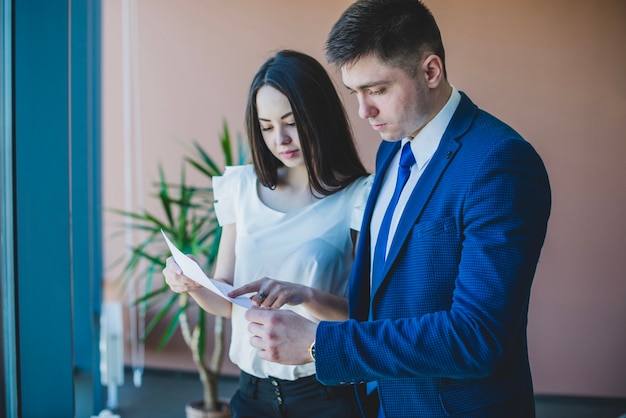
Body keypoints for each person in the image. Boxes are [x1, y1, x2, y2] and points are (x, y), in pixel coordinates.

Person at [241, 1, 552, 417]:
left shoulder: (501, 163)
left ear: (430, 71)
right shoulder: (393, 150)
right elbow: (385, 295)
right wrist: (311, 296)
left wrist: (319, 343)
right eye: (355, 92)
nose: (363, 111)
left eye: (377, 90)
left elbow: (476, 337)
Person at [163, 49, 371, 418]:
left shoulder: (357, 196)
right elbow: (227, 303)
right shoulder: (241, 188)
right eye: (267, 126)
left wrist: (305, 295)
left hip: (326, 397)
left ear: (319, 115)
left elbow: (364, 316)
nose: (281, 140)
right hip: (251, 395)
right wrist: (194, 283)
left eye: (292, 122)